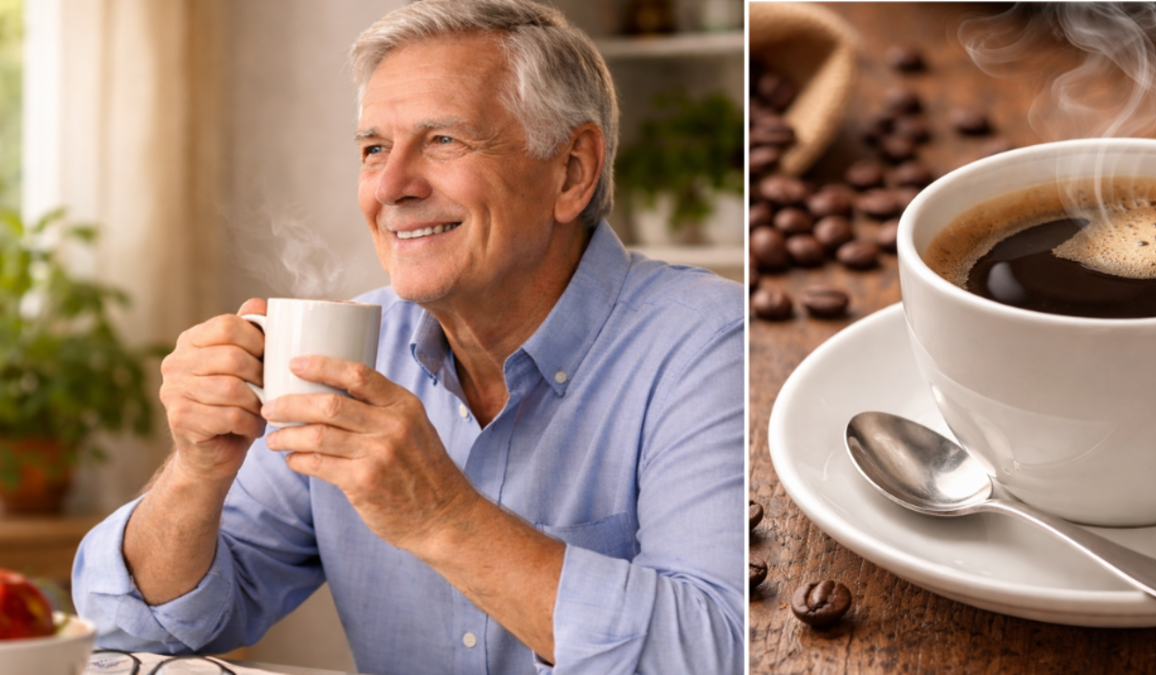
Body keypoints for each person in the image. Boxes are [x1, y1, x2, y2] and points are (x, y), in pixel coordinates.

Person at [72, 1, 744, 673]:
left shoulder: (712, 344)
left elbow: (724, 651)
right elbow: (130, 628)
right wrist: (196, 471)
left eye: (444, 140)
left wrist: (444, 518)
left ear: (571, 170)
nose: (391, 187)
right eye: (373, 150)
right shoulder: (352, 352)